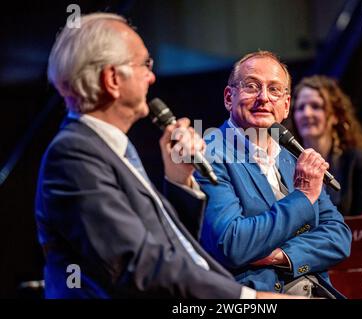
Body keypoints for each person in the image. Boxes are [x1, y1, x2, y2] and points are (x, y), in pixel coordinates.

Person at [35, 13, 295, 299]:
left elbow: (168, 245)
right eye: (144, 64)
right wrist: (250, 299)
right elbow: (139, 267)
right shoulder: (74, 155)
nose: (152, 75)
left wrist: (179, 181)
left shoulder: (110, 148)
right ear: (112, 79)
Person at [195, 51, 352, 298]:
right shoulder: (209, 154)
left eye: (275, 90)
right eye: (252, 86)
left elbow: (338, 237)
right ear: (228, 97)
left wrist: (279, 255)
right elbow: (233, 243)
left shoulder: (293, 158)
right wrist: (302, 198)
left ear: (286, 105)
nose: (264, 98)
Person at [290, 75, 362, 216]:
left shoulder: (357, 160)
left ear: (334, 116)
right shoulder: (285, 160)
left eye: (316, 106)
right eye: (300, 108)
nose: (306, 113)